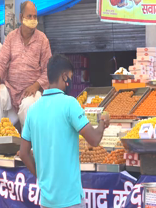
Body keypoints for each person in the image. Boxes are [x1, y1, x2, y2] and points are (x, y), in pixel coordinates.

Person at [19, 54, 110, 208]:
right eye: (70, 77)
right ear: (64, 76)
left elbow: (23, 153)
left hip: (46, 199)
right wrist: (102, 122)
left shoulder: (33, 110)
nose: (70, 82)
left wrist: (41, 177)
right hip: (70, 199)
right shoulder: (70, 104)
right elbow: (94, 140)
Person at [0, 1, 52, 128]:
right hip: (10, 90)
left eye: (35, 16)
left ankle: (27, 142)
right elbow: (1, 61)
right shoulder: (11, 37)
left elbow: (48, 70)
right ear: (21, 17)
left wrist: (35, 85)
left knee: (29, 105)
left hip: (31, 92)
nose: (33, 20)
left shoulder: (42, 39)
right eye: (29, 16)